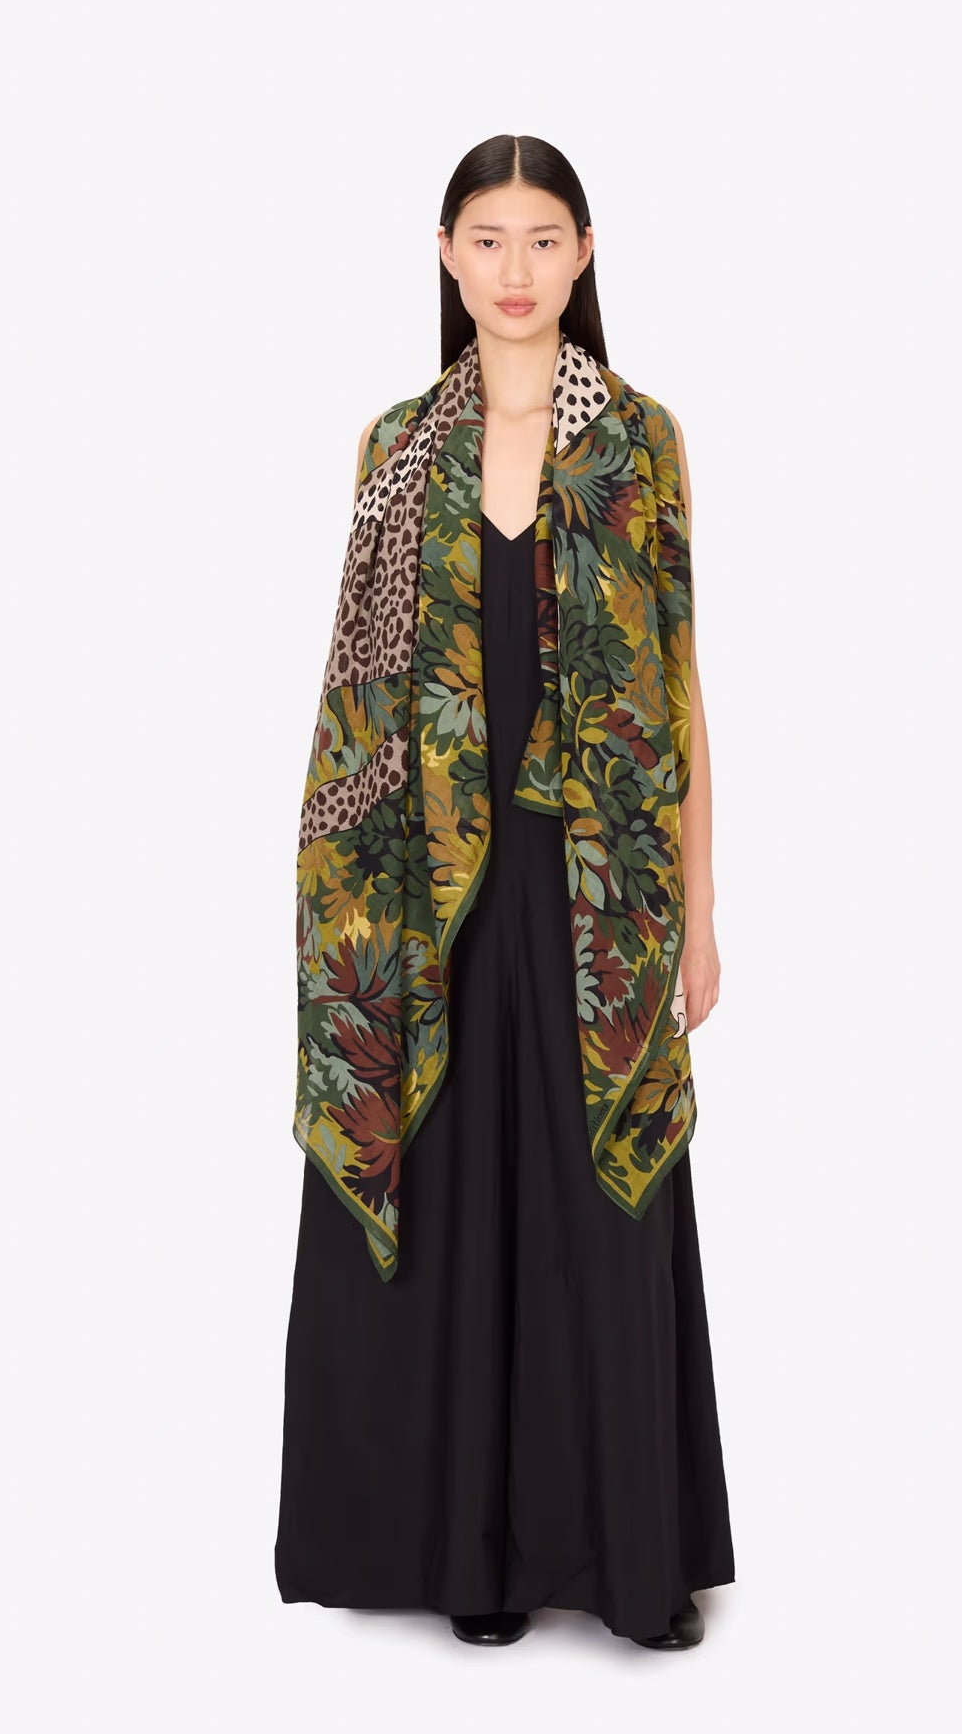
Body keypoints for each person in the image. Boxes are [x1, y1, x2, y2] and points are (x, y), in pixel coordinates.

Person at [275, 134, 734, 1650]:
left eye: (544, 239)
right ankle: (468, 1558)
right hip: (425, 882)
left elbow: (678, 687)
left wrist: (703, 909)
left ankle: (629, 1558)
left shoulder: (643, 442)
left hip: (604, 879)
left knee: (604, 1198)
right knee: (454, 1191)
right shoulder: (397, 447)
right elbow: (356, 696)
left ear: (586, 253)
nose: (517, 269)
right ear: (446, 254)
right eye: (488, 239)